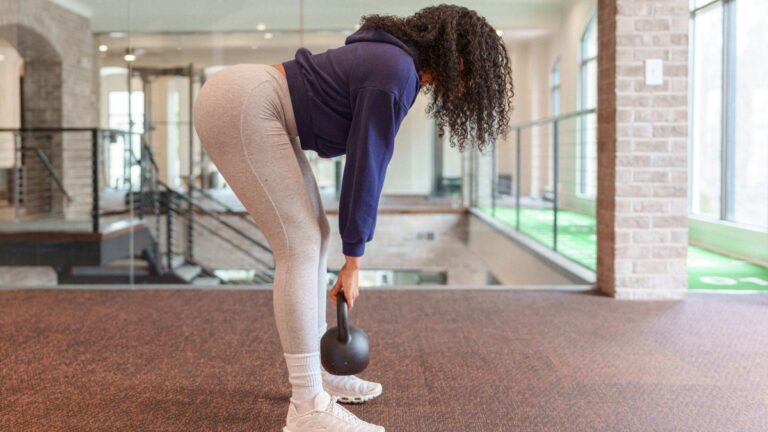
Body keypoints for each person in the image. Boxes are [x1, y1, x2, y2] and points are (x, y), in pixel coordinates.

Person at [193, 4, 513, 431]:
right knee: (300, 244)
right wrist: (354, 262)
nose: (471, 84)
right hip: (243, 103)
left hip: (247, 99)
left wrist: (350, 253)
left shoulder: (394, 61)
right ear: (455, 57)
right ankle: (307, 407)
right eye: (472, 70)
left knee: (314, 235)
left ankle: (318, 381)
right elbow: (366, 167)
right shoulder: (396, 71)